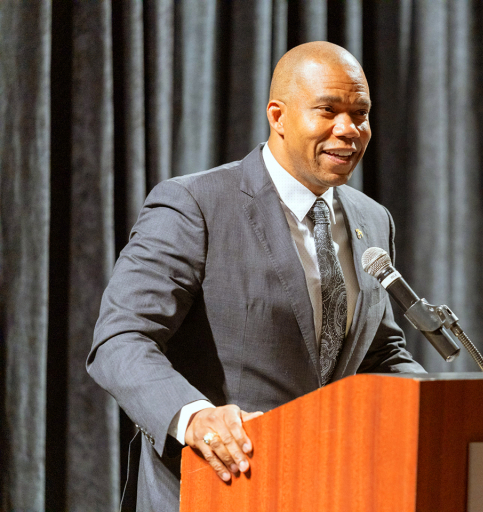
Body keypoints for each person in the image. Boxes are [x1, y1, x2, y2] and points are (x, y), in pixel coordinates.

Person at [87, 41, 425, 511]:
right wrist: (195, 417)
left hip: (330, 487)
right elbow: (120, 338)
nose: (349, 130)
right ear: (278, 116)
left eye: (360, 114)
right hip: (218, 486)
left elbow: (378, 354)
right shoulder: (196, 205)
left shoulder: (373, 218)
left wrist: (433, 407)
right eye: (328, 110)